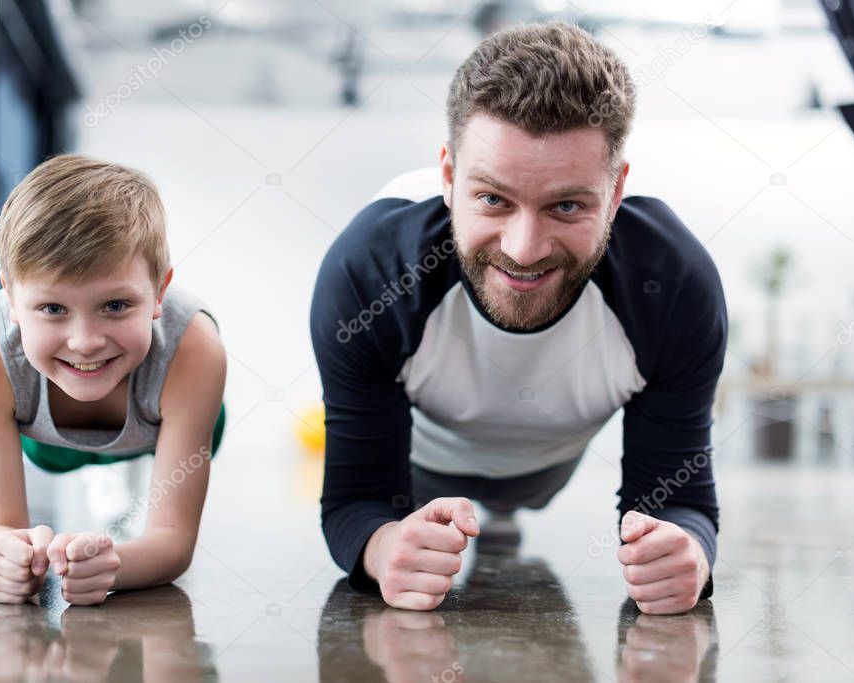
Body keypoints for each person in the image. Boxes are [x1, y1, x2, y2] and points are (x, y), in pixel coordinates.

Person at [310, 22, 726, 613]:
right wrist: (385, 546)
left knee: (514, 500)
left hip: (543, 471)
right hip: (425, 462)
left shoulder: (674, 283)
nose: (524, 249)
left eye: (566, 205)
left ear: (615, 193)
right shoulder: (370, 271)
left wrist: (689, 553)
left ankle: (501, 513)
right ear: (448, 177)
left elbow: (680, 501)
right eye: (492, 199)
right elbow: (356, 501)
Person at [0, 154, 226, 605]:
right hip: (46, 446)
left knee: (194, 435)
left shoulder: (194, 350)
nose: (85, 343)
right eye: (53, 309)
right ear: (12, 299)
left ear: (159, 292)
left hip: (157, 431)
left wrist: (114, 564)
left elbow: (173, 541)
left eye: (115, 306)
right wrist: (4, 554)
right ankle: (102, 476)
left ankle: (121, 473)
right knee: (57, 457)